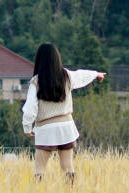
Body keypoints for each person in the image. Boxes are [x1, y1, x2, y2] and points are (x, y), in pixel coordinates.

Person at [21, 43, 106, 184]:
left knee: (39, 168)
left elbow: (30, 107)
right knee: (67, 166)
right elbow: (81, 74)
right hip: (66, 126)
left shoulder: (36, 82)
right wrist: (96, 74)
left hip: (45, 128)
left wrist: (27, 127)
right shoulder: (67, 75)